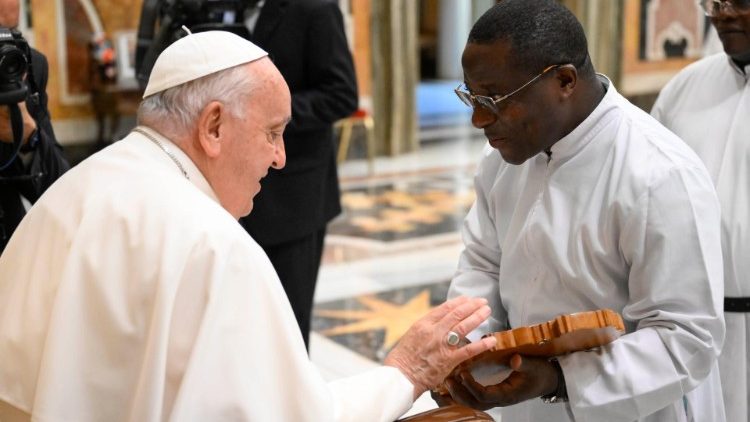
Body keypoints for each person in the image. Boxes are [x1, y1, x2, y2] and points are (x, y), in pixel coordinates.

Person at [0, 30, 498, 421]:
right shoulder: (213, 245)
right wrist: (405, 371)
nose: (280, 158)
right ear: (213, 126)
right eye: (272, 133)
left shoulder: (79, 183)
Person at [442, 1, 726, 421]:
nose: (479, 120)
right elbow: (484, 265)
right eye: (472, 97)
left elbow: (687, 338)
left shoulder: (658, 174)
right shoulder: (501, 161)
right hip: (526, 404)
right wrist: (466, 347)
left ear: (564, 80)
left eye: (495, 98)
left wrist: (558, 378)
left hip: (632, 406)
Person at [238, 0, 358, 349]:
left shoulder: (315, 7)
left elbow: (341, 94)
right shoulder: (217, 10)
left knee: (287, 326)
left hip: (294, 198)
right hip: (234, 191)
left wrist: (265, 118)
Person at [651, 1, 750, 420]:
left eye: (740, 3)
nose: (723, 14)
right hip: (694, 333)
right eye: (714, 2)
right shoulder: (684, 89)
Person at [0, 0, 69, 253]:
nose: (3, 50)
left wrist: (28, 138)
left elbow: (62, 194)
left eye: (11, 35)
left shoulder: (25, 67)